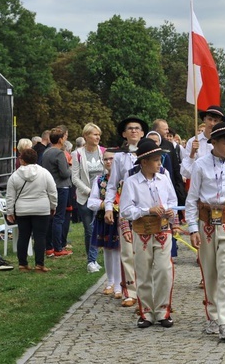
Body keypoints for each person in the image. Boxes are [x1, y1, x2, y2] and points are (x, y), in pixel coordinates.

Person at [186, 123, 225, 341]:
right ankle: (213, 315)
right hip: (206, 223)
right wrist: (192, 228)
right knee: (210, 270)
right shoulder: (200, 165)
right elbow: (192, 198)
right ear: (214, 143)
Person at [120, 138, 180, 328]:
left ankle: (163, 311)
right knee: (143, 271)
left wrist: (171, 211)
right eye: (156, 160)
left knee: (164, 270)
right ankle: (146, 312)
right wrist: (147, 210)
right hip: (142, 231)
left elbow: (172, 200)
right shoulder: (131, 182)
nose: (159, 163)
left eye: (159, 159)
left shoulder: (164, 178)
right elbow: (125, 210)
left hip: (163, 230)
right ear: (144, 162)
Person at [104, 116, 149, 308]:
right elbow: (112, 185)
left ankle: (148, 289)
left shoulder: (150, 155)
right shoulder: (120, 157)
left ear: (143, 132)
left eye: (137, 128)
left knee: (147, 251)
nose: (133, 131)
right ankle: (129, 291)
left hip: (147, 209)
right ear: (124, 133)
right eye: (129, 128)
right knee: (127, 252)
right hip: (126, 209)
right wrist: (108, 207)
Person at [6, 148, 58, 273]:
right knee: (40, 237)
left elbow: (10, 196)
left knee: (23, 236)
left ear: (22, 160)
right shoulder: (44, 173)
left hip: (22, 209)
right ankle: (39, 264)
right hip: (42, 208)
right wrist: (53, 206)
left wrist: (10, 212)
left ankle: (22, 264)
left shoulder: (14, 176)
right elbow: (52, 191)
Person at [88, 149, 123, 298]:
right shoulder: (99, 180)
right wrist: (106, 205)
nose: (109, 162)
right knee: (108, 251)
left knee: (120, 252)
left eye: (112, 159)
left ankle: (120, 284)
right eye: (106, 159)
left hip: (122, 220)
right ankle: (110, 282)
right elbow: (91, 202)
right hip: (106, 219)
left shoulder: (125, 179)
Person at [71, 123, 104, 273]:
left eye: (98, 134)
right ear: (86, 136)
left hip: (101, 197)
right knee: (89, 229)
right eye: (94, 134)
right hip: (85, 197)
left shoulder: (103, 152)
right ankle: (91, 261)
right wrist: (89, 191)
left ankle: (94, 258)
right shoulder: (77, 153)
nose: (97, 137)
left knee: (98, 228)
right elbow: (75, 178)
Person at [41, 126, 73, 258]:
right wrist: (71, 167)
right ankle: (58, 248)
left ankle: (49, 247)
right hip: (61, 187)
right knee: (59, 218)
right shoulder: (59, 153)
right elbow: (64, 173)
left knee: (50, 217)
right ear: (60, 140)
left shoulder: (46, 152)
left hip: (49, 187)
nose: (66, 139)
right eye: (65, 137)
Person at [182, 106, 225, 180]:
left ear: (220, 123)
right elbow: (185, 173)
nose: (212, 123)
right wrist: (192, 154)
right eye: (210, 119)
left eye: (216, 120)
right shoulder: (193, 141)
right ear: (204, 119)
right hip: (200, 187)